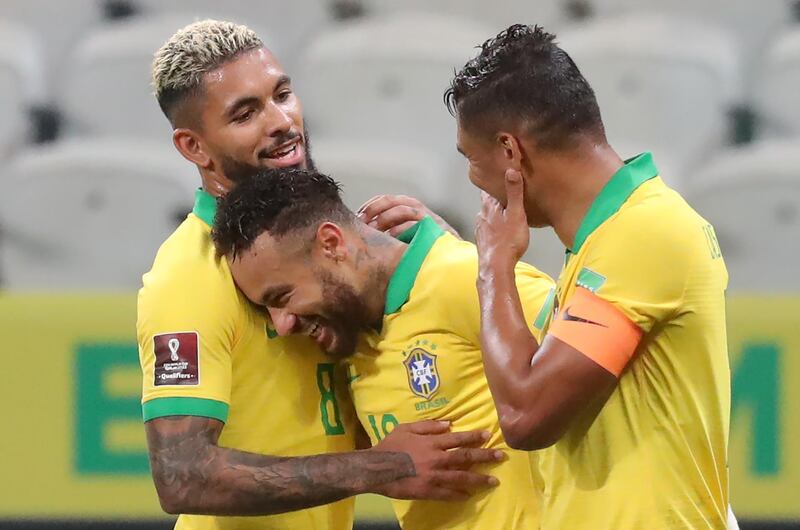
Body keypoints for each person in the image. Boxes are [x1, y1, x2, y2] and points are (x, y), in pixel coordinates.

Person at [137, 19, 499, 530]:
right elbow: (182, 476)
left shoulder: (313, 247)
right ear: (194, 147)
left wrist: (443, 260)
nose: (281, 122)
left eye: (282, 94)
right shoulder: (191, 274)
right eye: (245, 114)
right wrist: (382, 467)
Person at [445, 24, 732, 528]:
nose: (473, 180)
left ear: (511, 152)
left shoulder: (644, 231)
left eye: (472, 159)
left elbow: (525, 415)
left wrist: (493, 267)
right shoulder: (607, 243)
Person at [210, 167, 557, 530]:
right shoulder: (351, 337)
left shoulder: (465, 278)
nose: (282, 324)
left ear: (331, 244)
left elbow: (596, 376)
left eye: (283, 296)